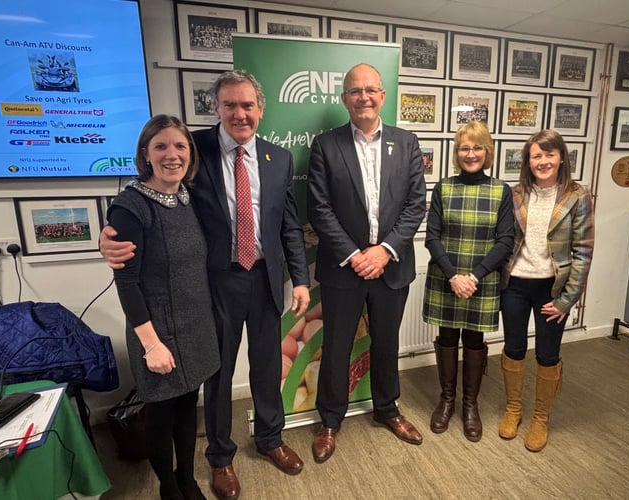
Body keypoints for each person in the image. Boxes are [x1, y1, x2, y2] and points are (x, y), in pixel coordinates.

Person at [101, 70, 311, 500]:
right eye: (229, 105)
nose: (239, 113)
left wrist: (301, 278)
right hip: (215, 283)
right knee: (217, 373)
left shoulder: (278, 158)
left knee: (268, 367)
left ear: (261, 109)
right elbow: (151, 189)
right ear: (215, 108)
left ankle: (270, 438)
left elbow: (288, 224)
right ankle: (221, 456)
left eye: (247, 105)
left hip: (268, 280)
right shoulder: (192, 147)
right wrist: (109, 235)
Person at [307, 63, 426, 463]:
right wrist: (357, 255)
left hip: (392, 265)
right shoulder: (326, 145)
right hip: (345, 267)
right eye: (355, 91)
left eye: (371, 90)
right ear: (345, 99)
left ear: (383, 96)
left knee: (387, 343)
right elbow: (319, 209)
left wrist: (384, 250)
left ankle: (388, 409)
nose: (364, 97)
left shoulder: (407, 143)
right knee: (337, 346)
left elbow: (415, 205)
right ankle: (329, 420)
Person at [108, 114, 220, 500]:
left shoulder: (187, 198)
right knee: (160, 413)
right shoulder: (130, 206)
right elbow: (126, 283)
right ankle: (168, 486)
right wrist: (152, 344)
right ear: (145, 154)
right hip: (156, 330)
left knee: (189, 406)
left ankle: (187, 478)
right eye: (161, 146)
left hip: (195, 324)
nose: (172, 154)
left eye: (180, 146)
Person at [498, 129, 595, 452]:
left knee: (547, 354)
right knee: (513, 347)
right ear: (528, 161)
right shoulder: (515, 194)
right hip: (515, 285)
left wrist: (567, 301)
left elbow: (583, 252)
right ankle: (514, 409)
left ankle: (541, 417)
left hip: (552, 289)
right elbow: (504, 241)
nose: (543, 161)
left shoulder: (578, 197)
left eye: (549, 154)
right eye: (536, 155)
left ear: (561, 157)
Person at [422, 122, 514, 441]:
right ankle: (446, 401)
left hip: (481, 280)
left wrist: (472, 276)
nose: (470, 154)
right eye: (464, 148)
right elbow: (432, 237)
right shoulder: (443, 188)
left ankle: (469, 405)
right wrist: (453, 276)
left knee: (474, 341)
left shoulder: (501, 190)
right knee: (447, 337)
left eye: (477, 148)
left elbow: (505, 241)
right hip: (446, 276)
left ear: (486, 152)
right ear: (456, 153)